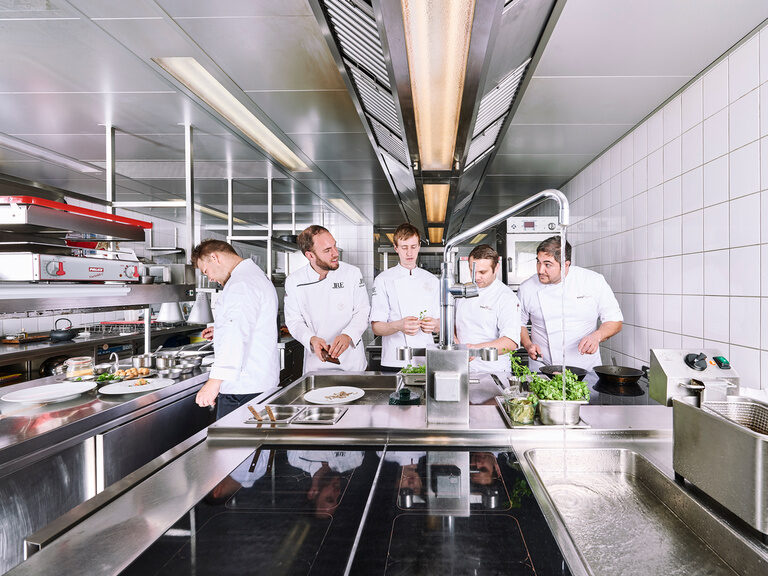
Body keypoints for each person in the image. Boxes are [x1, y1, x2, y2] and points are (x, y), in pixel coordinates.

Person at [191, 239, 279, 419]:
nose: (210, 278)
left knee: (232, 446)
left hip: (242, 390)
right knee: (258, 444)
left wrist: (214, 383)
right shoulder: (254, 276)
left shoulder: (241, 284)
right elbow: (244, 325)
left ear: (215, 257)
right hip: (258, 385)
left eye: (206, 271)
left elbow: (235, 334)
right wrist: (221, 330)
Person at [517, 236, 623, 374]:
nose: (540, 270)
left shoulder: (593, 281)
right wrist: (528, 344)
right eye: (538, 262)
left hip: (584, 369)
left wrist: (597, 336)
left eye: (548, 264)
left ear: (566, 265)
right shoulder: (527, 288)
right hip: (542, 368)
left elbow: (614, 321)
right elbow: (519, 323)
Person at [284, 225, 370, 373]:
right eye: (327, 250)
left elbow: (362, 311)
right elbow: (294, 321)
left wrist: (348, 334)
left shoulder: (352, 273)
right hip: (317, 364)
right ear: (310, 255)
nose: (335, 253)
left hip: (352, 362)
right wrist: (311, 339)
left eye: (334, 246)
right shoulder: (294, 281)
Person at [370, 223, 440, 372]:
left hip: (425, 358)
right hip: (394, 359)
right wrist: (399, 325)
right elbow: (376, 327)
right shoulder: (383, 279)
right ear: (396, 248)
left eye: (413, 247)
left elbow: (441, 324)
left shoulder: (432, 280)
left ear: (419, 246)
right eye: (404, 247)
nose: (409, 253)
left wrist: (434, 325)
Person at [454, 244, 521, 374]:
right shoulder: (464, 292)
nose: (476, 277)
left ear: (496, 268)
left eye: (483, 272)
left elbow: (510, 342)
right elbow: (458, 324)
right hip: (462, 369)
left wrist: (475, 349)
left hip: (493, 371)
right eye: (472, 271)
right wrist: (454, 339)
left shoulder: (506, 297)